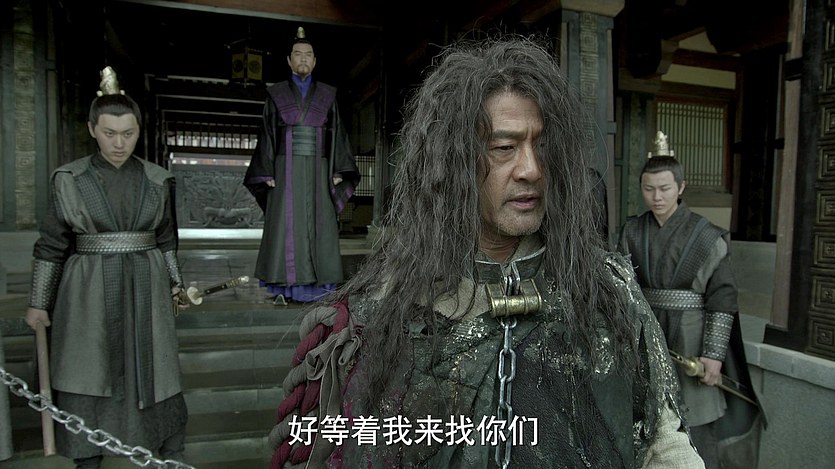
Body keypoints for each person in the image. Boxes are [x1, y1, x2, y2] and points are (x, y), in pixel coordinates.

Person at [267, 38, 704, 468]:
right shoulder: (381, 313)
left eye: (541, 146)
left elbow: (665, 444)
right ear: (453, 163)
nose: (531, 169)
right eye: (504, 148)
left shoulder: (606, 291)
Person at [23, 67, 189, 469]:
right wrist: (39, 302)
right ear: (92, 129)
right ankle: (87, 454)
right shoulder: (69, 179)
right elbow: (51, 244)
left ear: (138, 131)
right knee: (88, 364)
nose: (119, 143)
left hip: (146, 285)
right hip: (87, 289)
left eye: (128, 134)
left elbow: (166, 239)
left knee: (153, 367)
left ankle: (162, 446)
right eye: (110, 133)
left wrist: (176, 285)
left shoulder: (157, 179)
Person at [617, 132, 764, 469]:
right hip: (646, 330)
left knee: (696, 420)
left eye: (665, 188)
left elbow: (722, 298)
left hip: (692, 336)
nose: (657, 197)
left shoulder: (706, 235)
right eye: (649, 189)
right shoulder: (631, 231)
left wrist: (713, 355)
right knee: (644, 416)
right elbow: (622, 286)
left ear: (680, 187)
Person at [244, 26, 360, 305]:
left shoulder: (327, 95)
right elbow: (267, 132)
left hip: (320, 168)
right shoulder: (276, 94)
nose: (303, 58)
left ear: (315, 61)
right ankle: (286, 288)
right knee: (286, 224)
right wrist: (266, 169)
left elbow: (338, 134)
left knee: (321, 223)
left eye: (308, 54)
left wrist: (338, 169)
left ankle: (321, 286)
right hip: (284, 169)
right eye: (298, 54)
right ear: (289, 60)